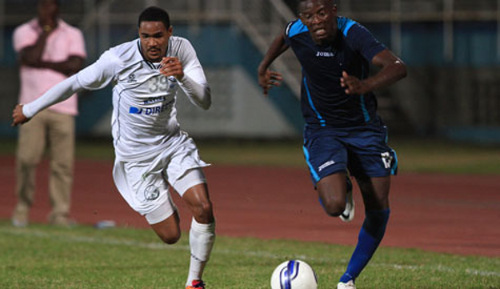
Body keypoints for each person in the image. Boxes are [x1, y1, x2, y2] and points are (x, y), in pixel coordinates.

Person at [12, 6, 215, 289]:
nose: (152, 42)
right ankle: (162, 201)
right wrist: (31, 109)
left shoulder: (182, 49)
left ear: (170, 33)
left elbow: (204, 100)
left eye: (158, 35)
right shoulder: (118, 59)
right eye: (146, 36)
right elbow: (74, 83)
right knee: (171, 235)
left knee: (204, 208)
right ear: (139, 34)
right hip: (136, 158)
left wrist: (183, 77)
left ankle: (194, 282)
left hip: (172, 143)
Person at [257, 0, 407, 288]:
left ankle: (348, 280)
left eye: (322, 13)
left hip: (365, 130)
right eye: (308, 15)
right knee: (335, 204)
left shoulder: (353, 33)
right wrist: (264, 66)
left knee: (378, 208)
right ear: (301, 17)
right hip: (323, 130)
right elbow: (283, 37)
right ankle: (344, 185)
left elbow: (398, 67)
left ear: (334, 11)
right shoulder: (296, 29)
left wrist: (366, 85)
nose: (316, 21)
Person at [11, 0, 86, 227]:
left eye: (50, 5)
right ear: (38, 8)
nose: (46, 10)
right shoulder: (24, 31)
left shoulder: (73, 33)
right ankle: (22, 209)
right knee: (26, 159)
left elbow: (75, 66)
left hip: (64, 108)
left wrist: (42, 63)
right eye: (42, 5)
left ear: (57, 8)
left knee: (63, 164)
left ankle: (60, 214)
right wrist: (44, 33)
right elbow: (29, 57)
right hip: (30, 107)